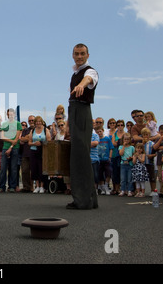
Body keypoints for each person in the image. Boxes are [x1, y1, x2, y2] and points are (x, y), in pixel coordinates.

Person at [66, 43, 99, 209]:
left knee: (81, 157)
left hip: (82, 111)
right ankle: (89, 199)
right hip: (74, 112)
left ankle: (83, 201)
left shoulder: (89, 71)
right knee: (79, 156)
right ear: (73, 55)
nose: (79, 56)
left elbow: (89, 78)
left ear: (88, 55)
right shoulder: (75, 73)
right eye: (77, 54)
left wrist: (81, 85)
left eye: (82, 54)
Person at [0, 108, 22, 192]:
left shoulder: (18, 124)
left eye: (12, 114)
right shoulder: (4, 124)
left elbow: (17, 138)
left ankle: (12, 186)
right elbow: (1, 137)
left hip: (14, 148)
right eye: (9, 114)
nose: (10, 115)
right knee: (3, 168)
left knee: (13, 168)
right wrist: (10, 141)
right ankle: (2, 186)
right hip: (5, 147)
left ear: (14, 114)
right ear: (7, 115)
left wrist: (11, 146)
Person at [28, 115, 51, 194]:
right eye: (37, 122)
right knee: (34, 169)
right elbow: (29, 142)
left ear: (42, 122)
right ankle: (37, 186)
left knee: (42, 168)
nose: (38, 123)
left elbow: (49, 140)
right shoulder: (32, 131)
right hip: (34, 151)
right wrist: (34, 143)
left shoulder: (46, 130)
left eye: (39, 122)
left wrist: (41, 143)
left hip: (42, 151)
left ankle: (42, 186)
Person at [96, 128, 113, 195]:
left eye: (100, 131)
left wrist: (110, 157)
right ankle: (102, 188)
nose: (99, 133)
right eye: (97, 132)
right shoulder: (96, 140)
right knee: (100, 174)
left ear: (103, 131)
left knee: (108, 173)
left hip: (106, 159)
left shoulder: (107, 139)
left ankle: (106, 186)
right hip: (99, 159)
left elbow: (111, 148)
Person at [111, 119, 126, 195]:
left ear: (123, 126)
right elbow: (113, 143)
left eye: (121, 125)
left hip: (123, 155)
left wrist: (119, 143)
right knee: (115, 172)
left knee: (122, 172)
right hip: (115, 154)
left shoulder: (125, 134)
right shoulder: (115, 134)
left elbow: (126, 143)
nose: (120, 126)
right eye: (118, 125)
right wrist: (121, 142)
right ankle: (115, 188)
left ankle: (122, 188)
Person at [141, 128, 158, 193]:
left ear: (149, 135)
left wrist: (152, 155)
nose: (145, 136)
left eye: (147, 135)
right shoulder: (141, 144)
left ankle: (153, 190)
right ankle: (141, 191)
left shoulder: (152, 144)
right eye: (144, 135)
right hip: (143, 162)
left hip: (150, 162)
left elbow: (155, 153)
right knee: (142, 177)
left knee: (152, 177)